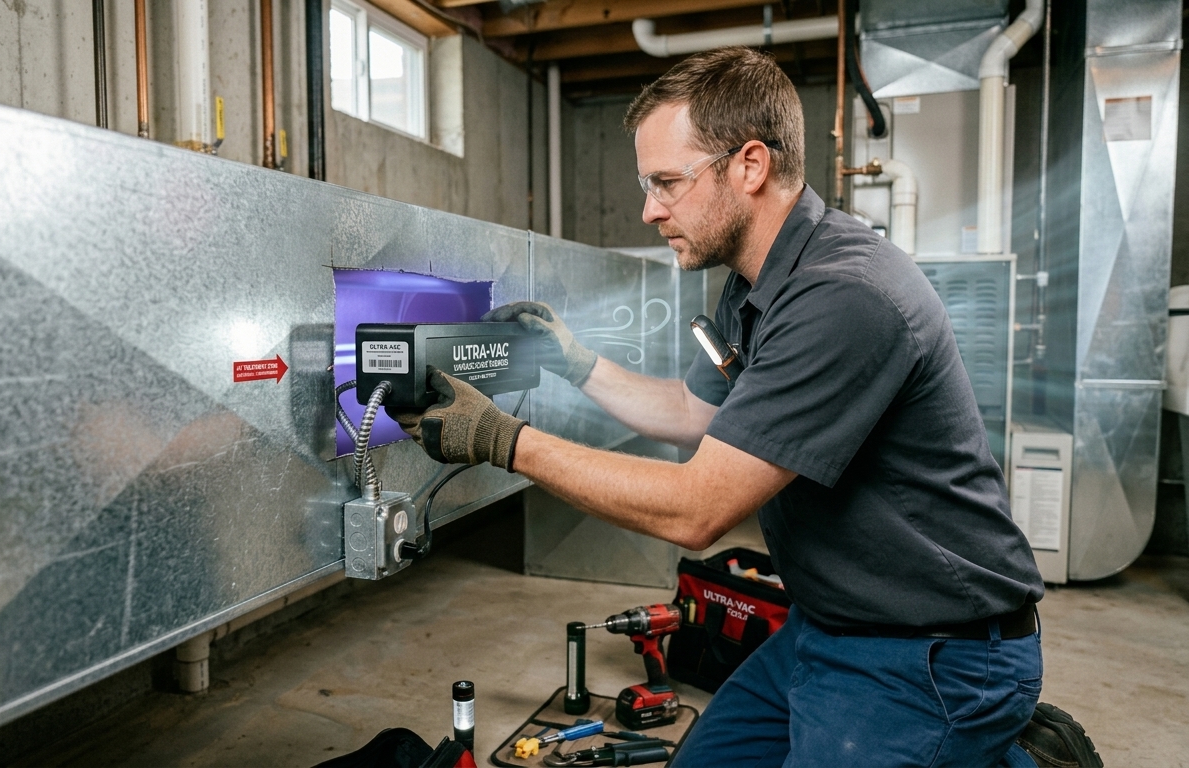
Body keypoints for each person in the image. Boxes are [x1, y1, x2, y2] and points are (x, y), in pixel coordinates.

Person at [387, 47, 1045, 767]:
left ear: (750, 166)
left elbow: (695, 511)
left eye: (668, 182)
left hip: (934, 650)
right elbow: (692, 412)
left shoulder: (844, 296)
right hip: (830, 623)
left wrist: (502, 440)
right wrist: (573, 362)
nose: (649, 209)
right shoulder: (755, 283)